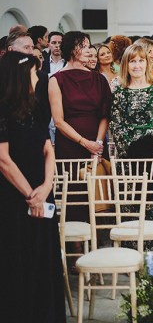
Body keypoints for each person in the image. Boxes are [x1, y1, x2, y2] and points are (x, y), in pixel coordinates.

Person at [0, 51, 65, 322]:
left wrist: (46, 186)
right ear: (17, 76)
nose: (37, 78)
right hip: (14, 197)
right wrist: (30, 195)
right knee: (18, 258)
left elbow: (48, 149)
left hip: (41, 190)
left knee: (43, 256)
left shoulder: (34, 105)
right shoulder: (3, 109)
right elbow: (3, 159)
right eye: (32, 73)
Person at [109, 44, 153, 251]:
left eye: (141, 60)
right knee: (130, 197)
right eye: (133, 61)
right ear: (126, 64)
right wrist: (129, 148)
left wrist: (149, 147)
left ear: (148, 62)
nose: (137, 65)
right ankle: (131, 245)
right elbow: (115, 121)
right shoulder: (117, 86)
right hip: (127, 153)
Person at [49, 31, 112, 222]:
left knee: (100, 189)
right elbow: (58, 121)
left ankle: (100, 236)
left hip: (97, 143)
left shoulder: (99, 79)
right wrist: (85, 143)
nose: (88, 50)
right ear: (71, 49)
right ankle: (76, 243)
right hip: (70, 145)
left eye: (88, 45)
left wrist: (98, 143)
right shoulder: (56, 80)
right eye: (83, 46)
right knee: (75, 191)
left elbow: (105, 115)